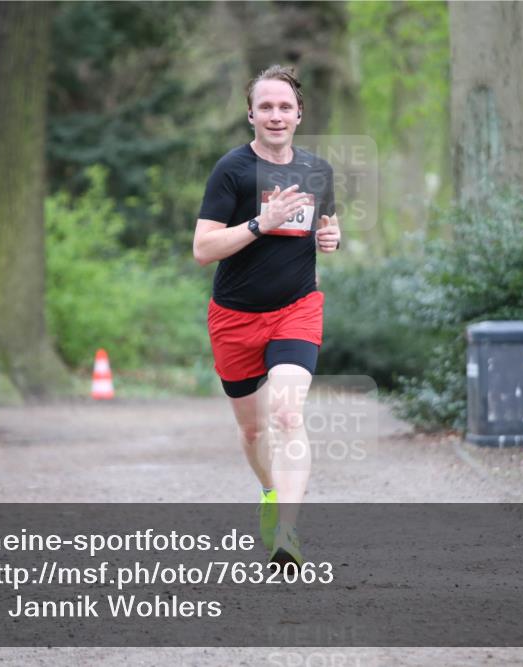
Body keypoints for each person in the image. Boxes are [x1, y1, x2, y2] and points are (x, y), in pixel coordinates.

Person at [192, 65, 341, 565]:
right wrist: (260, 223)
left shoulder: (317, 171)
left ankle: (288, 532)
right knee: (254, 430)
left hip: (296, 308)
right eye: (265, 107)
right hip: (234, 316)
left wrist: (331, 238)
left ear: (299, 113)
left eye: (284, 107)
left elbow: (326, 224)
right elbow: (203, 248)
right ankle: (271, 495)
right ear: (250, 115)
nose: (275, 115)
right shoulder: (232, 171)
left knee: (286, 412)